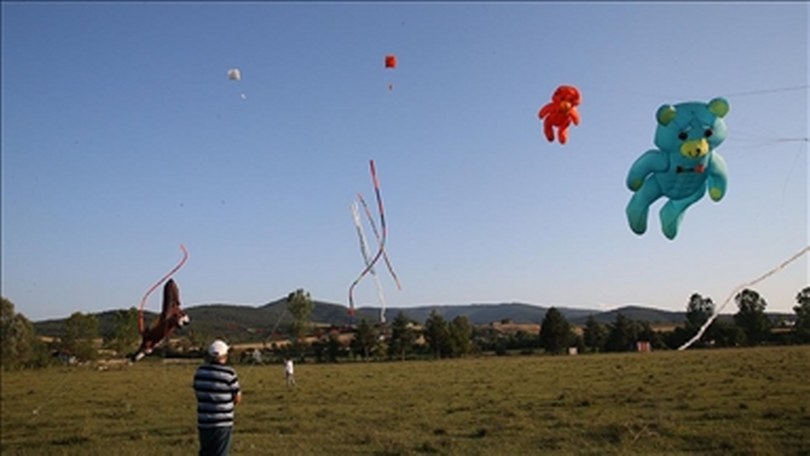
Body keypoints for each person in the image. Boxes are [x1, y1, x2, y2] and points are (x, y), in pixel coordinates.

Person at [193, 340, 242, 456]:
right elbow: (237, 399)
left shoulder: (200, 372)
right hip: (223, 424)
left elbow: (198, 393)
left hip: (204, 422)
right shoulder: (230, 373)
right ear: (224, 355)